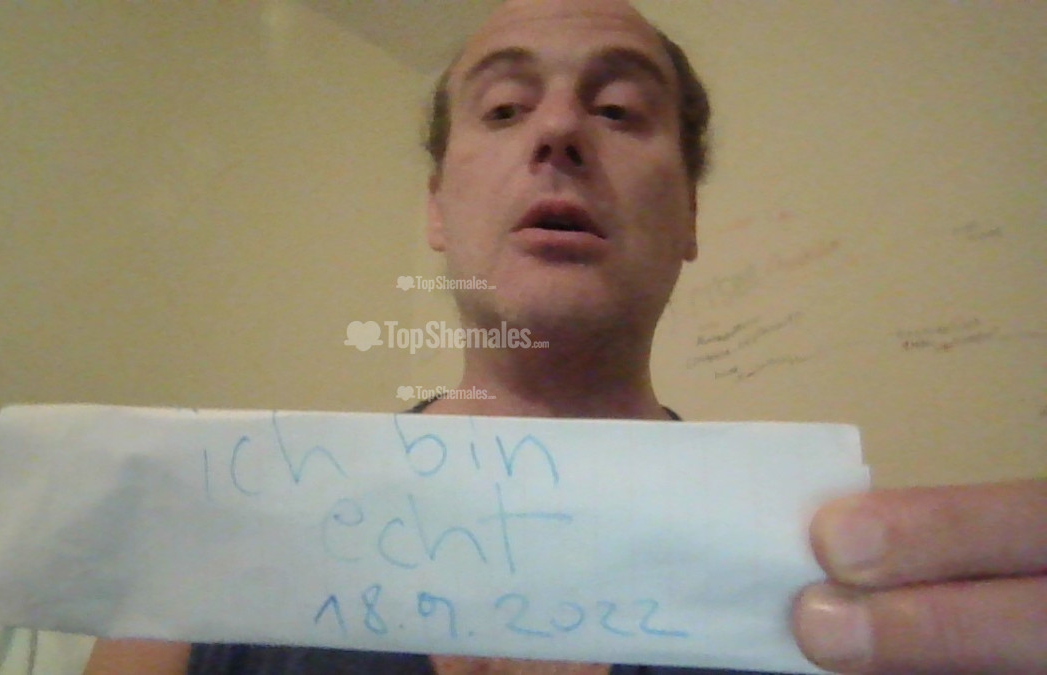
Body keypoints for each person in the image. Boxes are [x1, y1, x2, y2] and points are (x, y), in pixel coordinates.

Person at [86, 0, 1046, 673]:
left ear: (690, 214)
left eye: (619, 110)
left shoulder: (835, 598)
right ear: (436, 206)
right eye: (503, 109)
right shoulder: (211, 560)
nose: (557, 131)